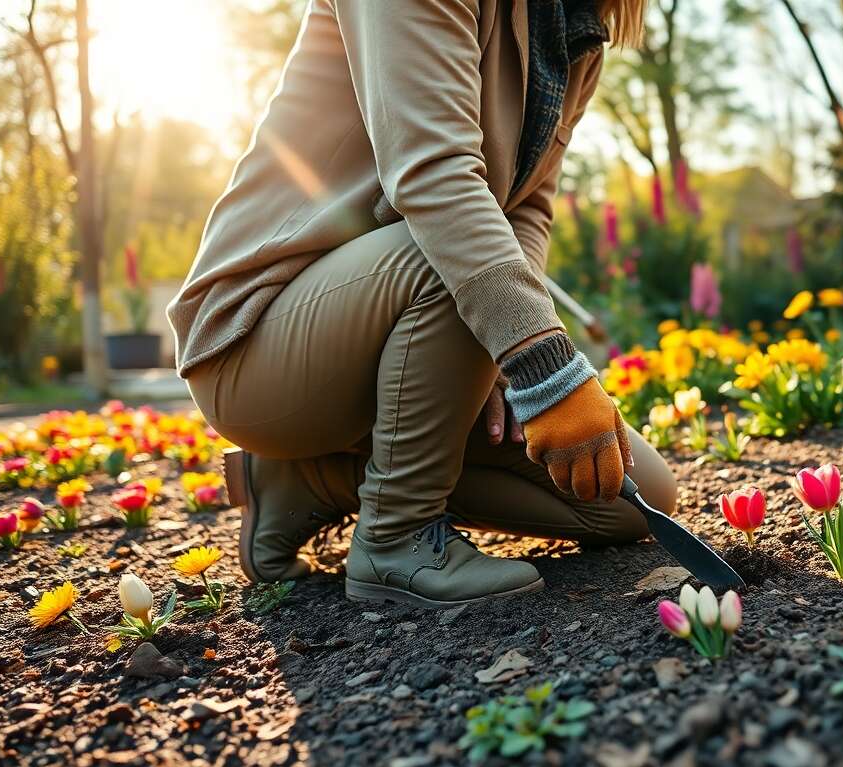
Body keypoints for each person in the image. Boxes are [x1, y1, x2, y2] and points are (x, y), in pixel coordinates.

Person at [167, 0, 675, 609]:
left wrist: (498, 353)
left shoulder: (574, 28)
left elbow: (529, 209)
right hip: (258, 339)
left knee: (626, 498)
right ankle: (396, 536)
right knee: (450, 249)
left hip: (411, 313)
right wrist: (540, 365)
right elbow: (434, 179)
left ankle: (308, 482)